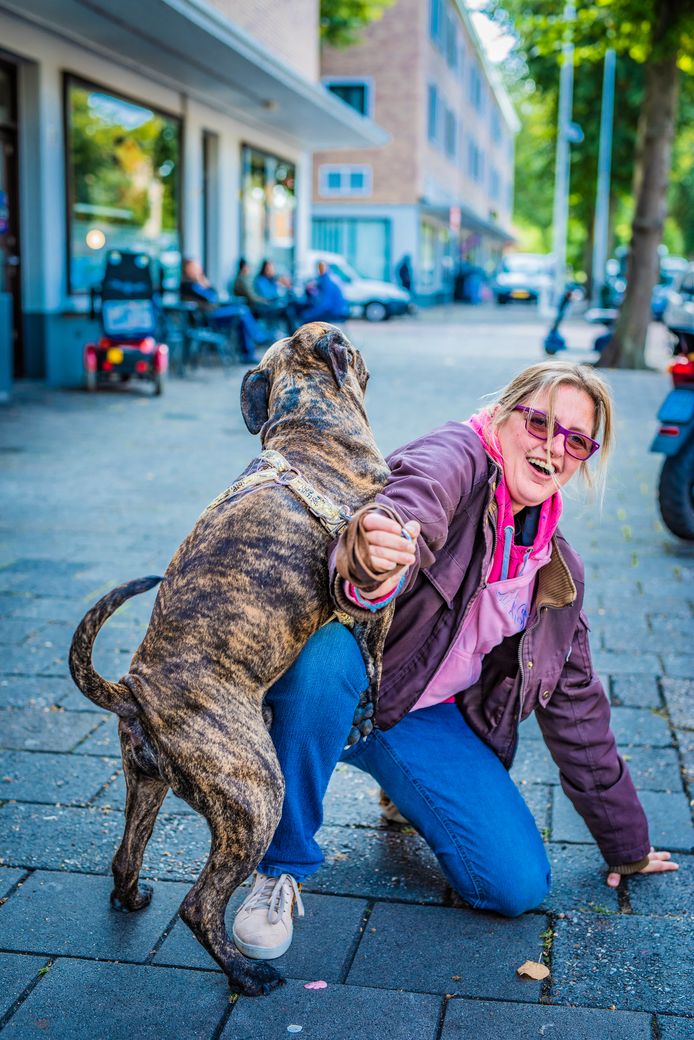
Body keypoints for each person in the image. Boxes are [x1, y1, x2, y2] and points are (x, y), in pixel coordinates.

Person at [231, 360, 678, 961]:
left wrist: (626, 843)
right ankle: (278, 867)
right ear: (504, 414)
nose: (554, 447)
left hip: (413, 712)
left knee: (517, 885)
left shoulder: (554, 570)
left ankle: (401, 784)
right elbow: (413, 498)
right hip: (337, 684)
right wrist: (374, 554)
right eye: (541, 423)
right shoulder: (458, 457)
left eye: (576, 440)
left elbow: (577, 709)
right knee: (327, 652)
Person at [180, 258, 261, 362]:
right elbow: (211, 298)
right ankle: (256, 339)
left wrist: (207, 285)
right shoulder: (187, 285)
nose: (197, 269)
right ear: (187, 269)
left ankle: (249, 350)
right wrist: (204, 285)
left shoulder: (198, 283)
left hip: (213, 313)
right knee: (241, 312)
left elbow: (214, 296)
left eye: (197, 267)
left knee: (241, 312)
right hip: (207, 318)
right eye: (194, 267)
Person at [298, 260, 349, 324]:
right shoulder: (324, 278)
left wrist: (309, 314)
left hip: (334, 311)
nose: (320, 269)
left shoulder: (327, 281)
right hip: (336, 309)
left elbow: (326, 304)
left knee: (305, 317)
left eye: (322, 267)